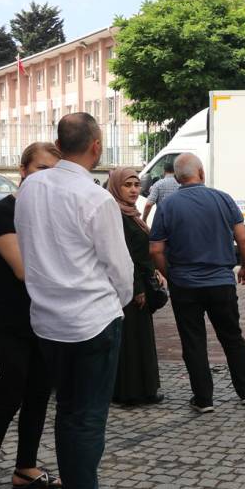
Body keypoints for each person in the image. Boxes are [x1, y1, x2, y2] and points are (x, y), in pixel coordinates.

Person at [15, 113, 133, 489]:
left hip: (48, 319)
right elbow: (119, 267)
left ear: (60, 144)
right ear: (97, 146)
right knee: (86, 416)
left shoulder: (30, 189)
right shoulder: (94, 197)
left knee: (67, 410)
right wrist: (115, 306)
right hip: (90, 319)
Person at [149, 153, 245, 414]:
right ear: (201, 173)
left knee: (193, 341)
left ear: (176, 177)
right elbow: (243, 239)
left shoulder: (168, 205)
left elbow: (155, 250)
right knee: (232, 337)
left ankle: (204, 398)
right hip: (221, 282)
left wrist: (171, 275)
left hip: (185, 284)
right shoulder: (222, 198)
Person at [0, 142, 62, 489]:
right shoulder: (5, 211)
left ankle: (25, 468)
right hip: (7, 323)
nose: (45, 177)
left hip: (43, 320)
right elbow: (22, 268)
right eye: (40, 168)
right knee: (6, 399)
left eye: (54, 171)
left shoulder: (48, 217)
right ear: (23, 170)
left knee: (39, 394)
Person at [107, 168, 162, 406]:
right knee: (131, 340)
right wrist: (137, 287)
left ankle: (144, 388)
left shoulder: (131, 214)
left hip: (139, 283)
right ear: (116, 187)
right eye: (127, 185)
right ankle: (129, 391)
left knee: (141, 337)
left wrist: (155, 271)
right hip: (128, 288)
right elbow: (124, 255)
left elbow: (142, 253)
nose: (133, 190)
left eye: (136, 185)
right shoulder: (116, 216)